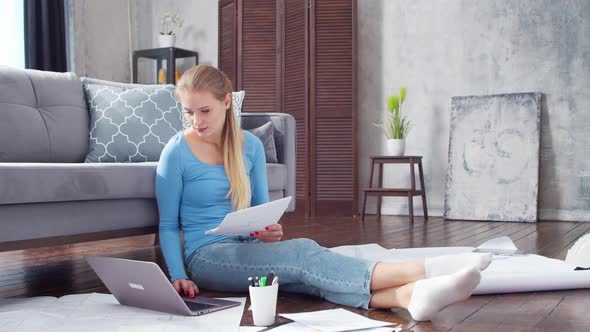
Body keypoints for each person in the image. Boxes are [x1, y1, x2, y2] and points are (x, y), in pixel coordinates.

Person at [155, 65, 493, 321]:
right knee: (303, 253)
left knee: (305, 278)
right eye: (188, 112)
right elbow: (168, 225)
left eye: (204, 111)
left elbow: (259, 214)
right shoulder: (177, 151)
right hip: (206, 258)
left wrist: (268, 230)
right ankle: (426, 269)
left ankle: (407, 296)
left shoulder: (251, 146)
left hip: (248, 248)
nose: (195, 121)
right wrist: (179, 275)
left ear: (227, 102)